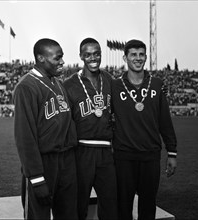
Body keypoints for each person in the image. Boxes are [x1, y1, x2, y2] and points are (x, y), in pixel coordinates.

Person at [111, 39, 177, 220]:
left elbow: (165, 121)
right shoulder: (114, 86)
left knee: (148, 206)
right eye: (133, 54)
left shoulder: (156, 84)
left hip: (150, 155)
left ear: (146, 57)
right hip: (124, 156)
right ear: (125, 58)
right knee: (123, 206)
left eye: (141, 54)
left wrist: (172, 152)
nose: (138, 58)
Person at [13, 38, 78, 220]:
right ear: (41, 58)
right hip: (44, 163)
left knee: (68, 215)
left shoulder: (57, 83)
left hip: (66, 161)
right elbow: (24, 136)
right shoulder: (26, 86)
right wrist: (35, 177)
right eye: (57, 58)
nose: (62, 62)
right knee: (38, 216)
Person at [63, 37, 118, 220]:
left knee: (111, 205)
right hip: (81, 150)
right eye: (88, 55)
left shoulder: (110, 80)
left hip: (106, 151)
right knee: (78, 204)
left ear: (101, 55)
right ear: (81, 56)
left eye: (96, 54)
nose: (93, 58)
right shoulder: (69, 84)